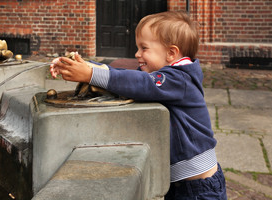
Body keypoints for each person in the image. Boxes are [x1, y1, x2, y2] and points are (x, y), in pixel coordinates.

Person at [50, 11, 227, 200]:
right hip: (179, 183)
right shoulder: (166, 76)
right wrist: (82, 66)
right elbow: (125, 77)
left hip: (200, 189)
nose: (137, 54)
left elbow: (140, 83)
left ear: (171, 53)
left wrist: (90, 74)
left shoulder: (180, 79)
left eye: (144, 48)